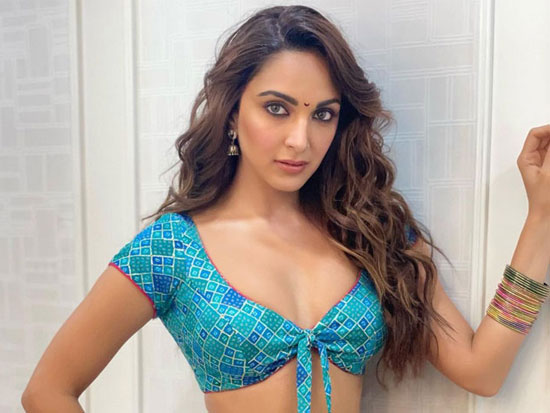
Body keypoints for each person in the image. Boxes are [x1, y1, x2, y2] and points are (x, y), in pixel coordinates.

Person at [21, 5, 550, 413]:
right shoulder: (173, 250)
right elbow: (47, 390)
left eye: (323, 114)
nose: (301, 139)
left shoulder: (374, 232)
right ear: (232, 112)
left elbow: (481, 371)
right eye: (277, 108)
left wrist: (541, 218)